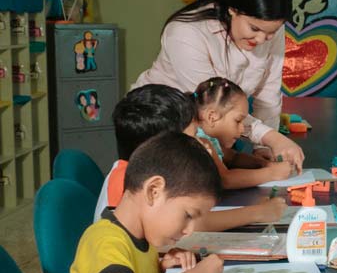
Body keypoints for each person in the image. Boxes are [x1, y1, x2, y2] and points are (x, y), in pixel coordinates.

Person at [133, 0, 305, 171]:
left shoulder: (269, 26)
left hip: (209, 126)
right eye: (254, 29)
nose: (261, 39)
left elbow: (269, 92)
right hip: (159, 125)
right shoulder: (185, 33)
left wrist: (263, 147)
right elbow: (214, 101)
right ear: (233, 10)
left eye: (270, 33)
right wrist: (271, 137)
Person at [93, 84, 287, 231]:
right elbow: (192, 224)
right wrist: (256, 213)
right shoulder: (127, 185)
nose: (202, 145)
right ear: (159, 148)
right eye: (194, 137)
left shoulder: (150, 173)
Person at [69, 132, 224, 273]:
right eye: (188, 215)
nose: (189, 231)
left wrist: (162, 267)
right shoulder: (104, 239)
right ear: (153, 191)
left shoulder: (143, 235)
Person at [191, 77, 293, 189]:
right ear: (212, 117)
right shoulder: (199, 140)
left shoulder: (210, 140)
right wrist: (271, 173)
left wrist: (264, 164)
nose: (242, 129)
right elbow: (225, 180)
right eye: (238, 121)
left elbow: (233, 158)